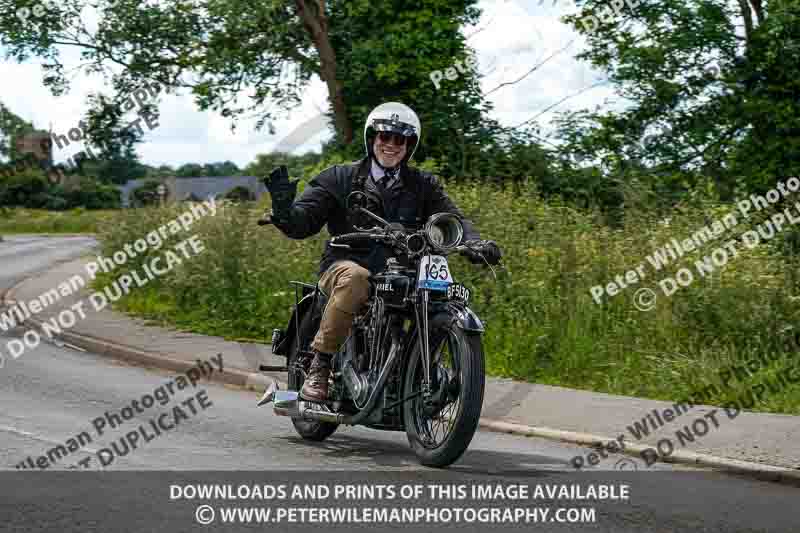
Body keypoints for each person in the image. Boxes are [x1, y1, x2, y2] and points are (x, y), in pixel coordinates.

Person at [264, 102, 501, 401]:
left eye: (399, 140)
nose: (391, 145)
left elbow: (452, 219)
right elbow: (304, 221)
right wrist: (285, 212)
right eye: (384, 137)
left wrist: (474, 241)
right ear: (372, 138)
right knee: (356, 278)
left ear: (409, 145)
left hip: (403, 270)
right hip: (345, 264)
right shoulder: (340, 178)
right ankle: (319, 365)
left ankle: (418, 371)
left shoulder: (423, 185)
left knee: (441, 292)